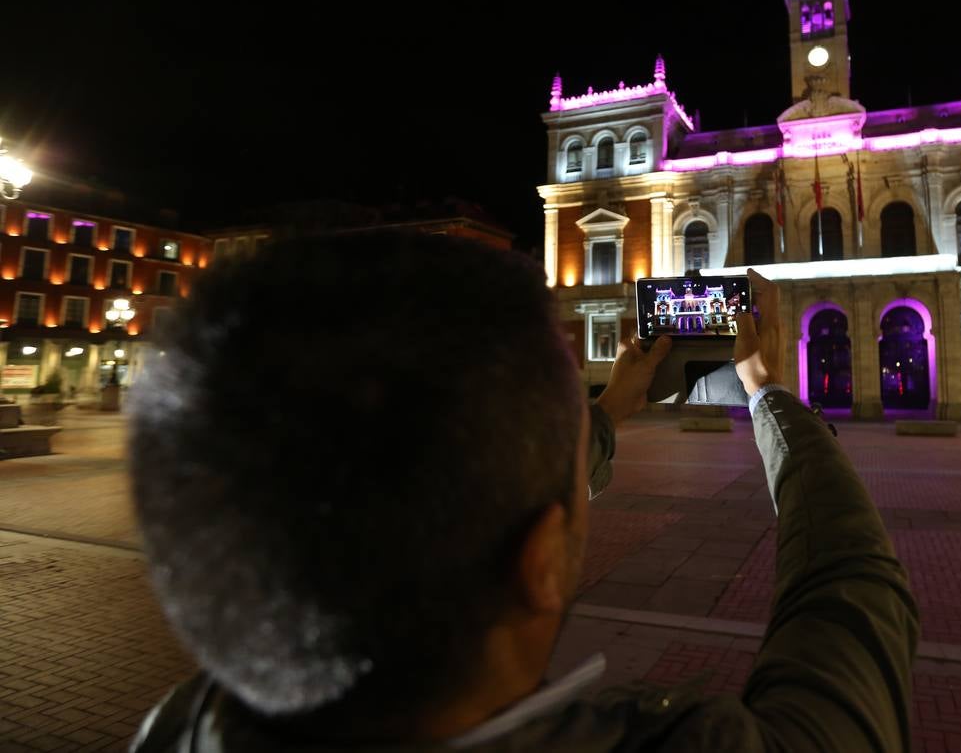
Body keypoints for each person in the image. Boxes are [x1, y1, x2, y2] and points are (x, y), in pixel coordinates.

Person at [128, 233, 919, 752]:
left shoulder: (172, 728)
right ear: (539, 560)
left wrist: (607, 410)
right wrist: (770, 394)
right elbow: (849, 589)